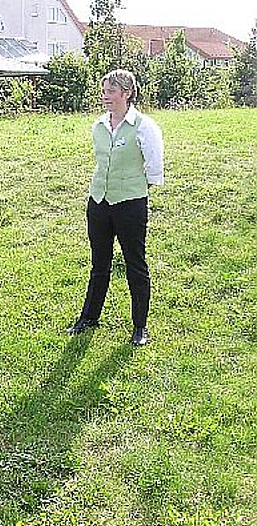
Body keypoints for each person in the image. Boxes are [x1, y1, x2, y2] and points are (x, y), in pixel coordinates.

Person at [67, 69, 164, 346]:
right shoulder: (99, 125)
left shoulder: (144, 126)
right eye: (104, 91)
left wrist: (132, 188)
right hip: (99, 202)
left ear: (127, 93)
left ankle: (140, 326)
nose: (105, 96)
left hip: (130, 204)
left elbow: (154, 168)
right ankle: (89, 317)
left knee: (135, 263)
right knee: (99, 263)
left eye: (110, 91)